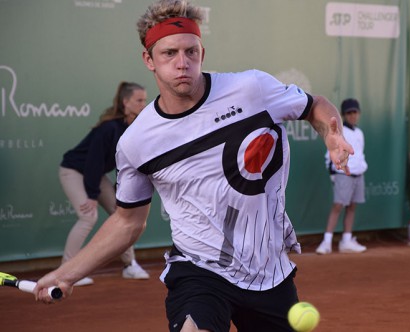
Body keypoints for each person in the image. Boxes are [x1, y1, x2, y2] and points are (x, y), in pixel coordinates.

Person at [35, 1, 353, 331]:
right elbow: (128, 222)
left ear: (202, 52)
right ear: (149, 60)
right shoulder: (137, 142)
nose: (182, 63)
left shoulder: (252, 90)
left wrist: (332, 134)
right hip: (200, 269)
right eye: (169, 53)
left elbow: (314, 105)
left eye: (191, 52)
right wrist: (66, 273)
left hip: (267, 271)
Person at [58, 81, 150, 285]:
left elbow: (124, 163)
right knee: (88, 216)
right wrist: (91, 195)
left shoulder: (132, 128)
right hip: (73, 171)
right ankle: (67, 270)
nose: (144, 104)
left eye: (144, 99)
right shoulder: (108, 128)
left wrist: (120, 190)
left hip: (95, 173)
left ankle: (129, 266)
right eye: (139, 100)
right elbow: (94, 161)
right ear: (125, 102)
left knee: (123, 214)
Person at [316, 98, 368, 255]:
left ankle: (346, 240)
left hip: (359, 174)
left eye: (355, 112)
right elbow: (329, 155)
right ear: (344, 115)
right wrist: (332, 174)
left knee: (352, 207)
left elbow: (359, 153)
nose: (352, 115)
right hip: (342, 174)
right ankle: (326, 242)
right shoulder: (339, 133)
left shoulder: (359, 133)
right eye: (349, 113)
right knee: (338, 206)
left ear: (358, 113)